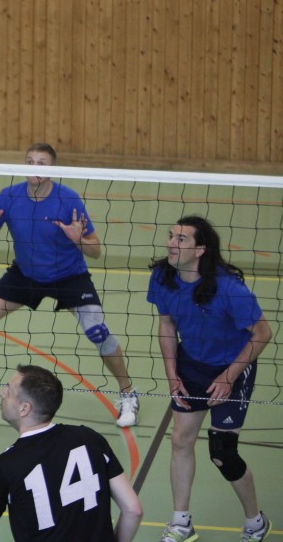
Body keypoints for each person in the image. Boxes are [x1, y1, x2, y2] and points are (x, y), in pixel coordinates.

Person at [0, 142, 139, 427]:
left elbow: (95, 251)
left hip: (69, 275)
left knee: (99, 333)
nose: (34, 167)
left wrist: (78, 239)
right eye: (29, 161)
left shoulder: (69, 200)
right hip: (26, 274)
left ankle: (128, 393)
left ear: (53, 168)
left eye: (41, 163)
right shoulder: (9, 196)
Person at [147, 216, 273, 542]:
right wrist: (172, 373)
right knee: (180, 440)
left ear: (200, 249)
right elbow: (167, 325)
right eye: (171, 236)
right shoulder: (162, 277)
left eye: (181, 239)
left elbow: (262, 333)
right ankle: (181, 523)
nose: (171, 243)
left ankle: (256, 522)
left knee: (222, 452)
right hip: (191, 364)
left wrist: (229, 377)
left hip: (233, 366)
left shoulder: (229, 288)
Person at [0, 364, 142, 542]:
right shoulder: (91, 439)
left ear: (24, 408)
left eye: (8, 390)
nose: (2, 393)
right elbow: (133, 510)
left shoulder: (3, 466)